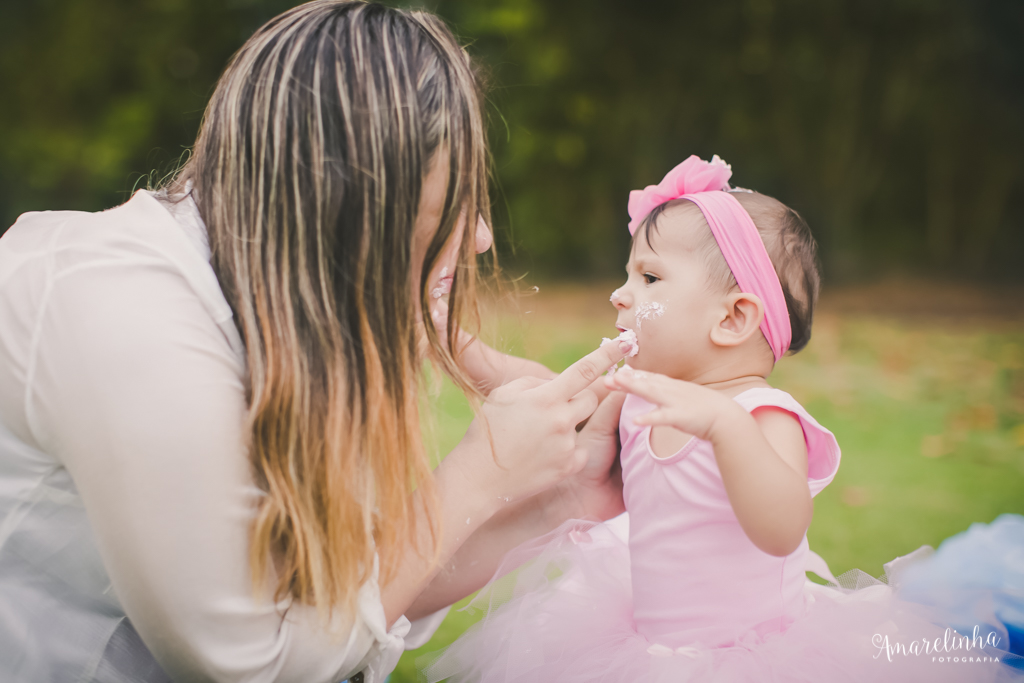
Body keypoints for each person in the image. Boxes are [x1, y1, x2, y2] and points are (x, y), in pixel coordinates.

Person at [0, 3, 633, 682]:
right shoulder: (129, 322)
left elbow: (339, 600)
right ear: (350, 212)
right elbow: (253, 661)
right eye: (447, 210)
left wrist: (558, 500)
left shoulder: (284, 312)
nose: (478, 237)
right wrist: (480, 469)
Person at [424, 155, 1024, 683]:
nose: (620, 294)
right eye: (628, 273)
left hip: (749, 659)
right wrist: (452, 342)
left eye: (649, 277)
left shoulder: (761, 416)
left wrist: (724, 426)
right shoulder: (645, 394)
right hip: (648, 647)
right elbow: (545, 390)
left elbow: (782, 527)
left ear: (733, 320)